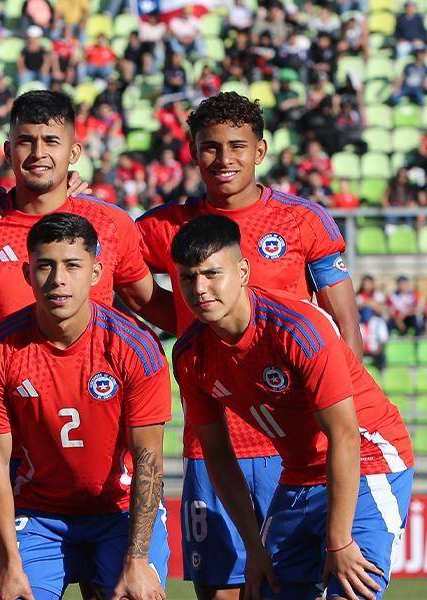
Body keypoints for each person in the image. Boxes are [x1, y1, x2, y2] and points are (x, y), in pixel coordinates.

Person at [135, 92, 363, 600]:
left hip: (298, 446)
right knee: (221, 589)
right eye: (210, 147)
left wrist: (343, 423)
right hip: (215, 441)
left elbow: (347, 330)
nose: (224, 159)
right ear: (193, 153)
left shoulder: (303, 219)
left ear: (260, 151)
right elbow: (109, 269)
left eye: (237, 146)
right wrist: (177, 318)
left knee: (298, 587)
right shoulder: (159, 225)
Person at [170, 215, 414, 600]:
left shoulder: (298, 328)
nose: (200, 288)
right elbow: (216, 453)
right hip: (299, 474)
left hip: (369, 460)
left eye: (212, 273)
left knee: (350, 592)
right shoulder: (189, 356)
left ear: (243, 270)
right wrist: (253, 548)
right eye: (187, 277)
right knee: (269, 591)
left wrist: (337, 542)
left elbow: (344, 435)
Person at [0, 212, 169, 600]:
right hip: (39, 513)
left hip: (120, 511)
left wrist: (138, 560)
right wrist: (8, 563)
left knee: (135, 595)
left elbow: (149, 459)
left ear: (95, 273)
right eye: (45, 266)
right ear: (27, 272)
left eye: (73, 266)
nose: (58, 279)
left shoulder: (135, 346)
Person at [0, 90, 173, 338]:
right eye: (25, 141)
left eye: (51, 141)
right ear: (8, 151)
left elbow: (151, 304)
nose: (38, 153)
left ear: (74, 152)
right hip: (2, 377)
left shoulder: (110, 223)